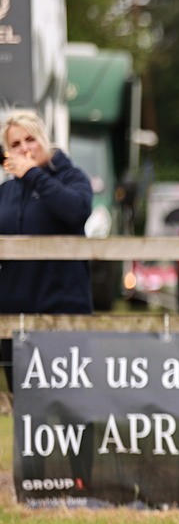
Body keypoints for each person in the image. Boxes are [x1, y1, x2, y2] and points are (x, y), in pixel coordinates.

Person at [1, 109, 95, 389]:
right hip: (13, 315)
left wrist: (33, 175)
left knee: (73, 408)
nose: (24, 149)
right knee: (25, 413)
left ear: (44, 140)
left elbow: (75, 211)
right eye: (15, 144)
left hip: (64, 311)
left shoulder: (73, 177)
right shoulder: (5, 194)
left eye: (30, 139)